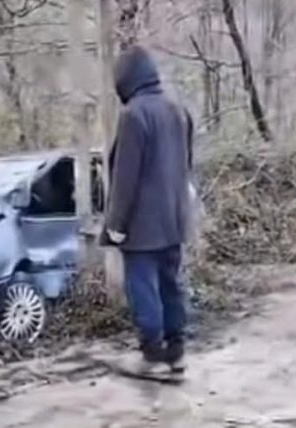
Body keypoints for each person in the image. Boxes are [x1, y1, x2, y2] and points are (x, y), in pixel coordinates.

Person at [102, 45, 195, 377]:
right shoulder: (177, 110)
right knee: (171, 284)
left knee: (143, 287)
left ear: (126, 81)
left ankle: (152, 355)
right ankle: (177, 352)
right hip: (175, 220)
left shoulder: (134, 115)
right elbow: (187, 165)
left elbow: (125, 178)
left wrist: (115, 225)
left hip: (142, 226)